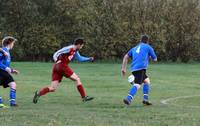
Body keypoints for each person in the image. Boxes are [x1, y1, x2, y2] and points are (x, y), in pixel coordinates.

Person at [33, 37, 94, 104]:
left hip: (56, 67)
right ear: (79, 44)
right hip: (62, 66)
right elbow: (57, 53)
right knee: (77, 79)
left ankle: (39, 93)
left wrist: (89, 59)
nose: (82, 47)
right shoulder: (70, 48)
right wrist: (57, 60)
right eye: (82, 45)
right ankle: (84, 97)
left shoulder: (75, 51)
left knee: (53, 88)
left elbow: (80, 58)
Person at [121, 35, 157, 105]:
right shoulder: (148, 47)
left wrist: (123, 68)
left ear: (140, 41)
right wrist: (149, 56)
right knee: (137, 84)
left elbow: (126, 57)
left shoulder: (134, 48)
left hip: (134, 68)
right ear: (147, 41)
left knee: (147, 81)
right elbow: (155, 59)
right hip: (141, 68)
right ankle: (128, 99)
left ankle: (145, 100)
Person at [0, 36, 19, 108]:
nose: (13, 45)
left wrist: (12, 70)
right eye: (13, 43)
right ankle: (0, 103)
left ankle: (12, 102)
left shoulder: (7, 52)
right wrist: (6, 68)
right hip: (1, 71)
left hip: (4, 72)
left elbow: (4, 64)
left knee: (13, 84)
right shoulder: (3, 50)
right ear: (10, 43)